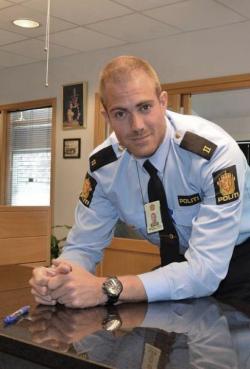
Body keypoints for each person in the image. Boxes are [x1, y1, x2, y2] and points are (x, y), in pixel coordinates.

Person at [29, 55, 250, 309]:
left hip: (241, 261)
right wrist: (60, 279)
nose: (137, 126)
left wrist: (106, 289)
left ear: (163, 102)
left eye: (144, 107)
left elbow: (204, 273)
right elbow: (83, 246)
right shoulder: (104, 168)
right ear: (106, 116)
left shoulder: (214, 154)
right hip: (180, 265)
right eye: (120, 113)